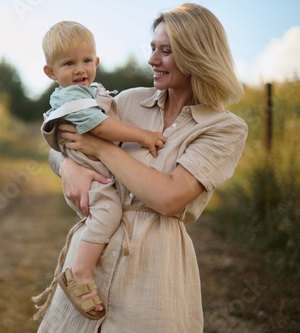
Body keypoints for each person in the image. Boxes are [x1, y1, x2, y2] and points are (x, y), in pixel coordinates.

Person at [34, 3, 248, 332]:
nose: (152, 60)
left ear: (196, 55)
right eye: (152, 48)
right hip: (92, 254)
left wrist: (100, 147)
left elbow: (168, 198)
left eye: (165, 51)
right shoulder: (130, 101)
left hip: (155, 267)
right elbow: (65, 139)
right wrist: (67, 167)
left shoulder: (224, 128)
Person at [33, 21, 166, 320]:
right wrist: (142, 135)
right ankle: (80, 272)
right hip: (90, 173)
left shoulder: (93, 91)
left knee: (107, 215)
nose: (80, 69)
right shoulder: (70, 97)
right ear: (51, 73)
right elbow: (100, 126)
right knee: (108, 213)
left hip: (96, 172)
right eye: (69, 63)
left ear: (97, 61)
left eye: (86, 61)